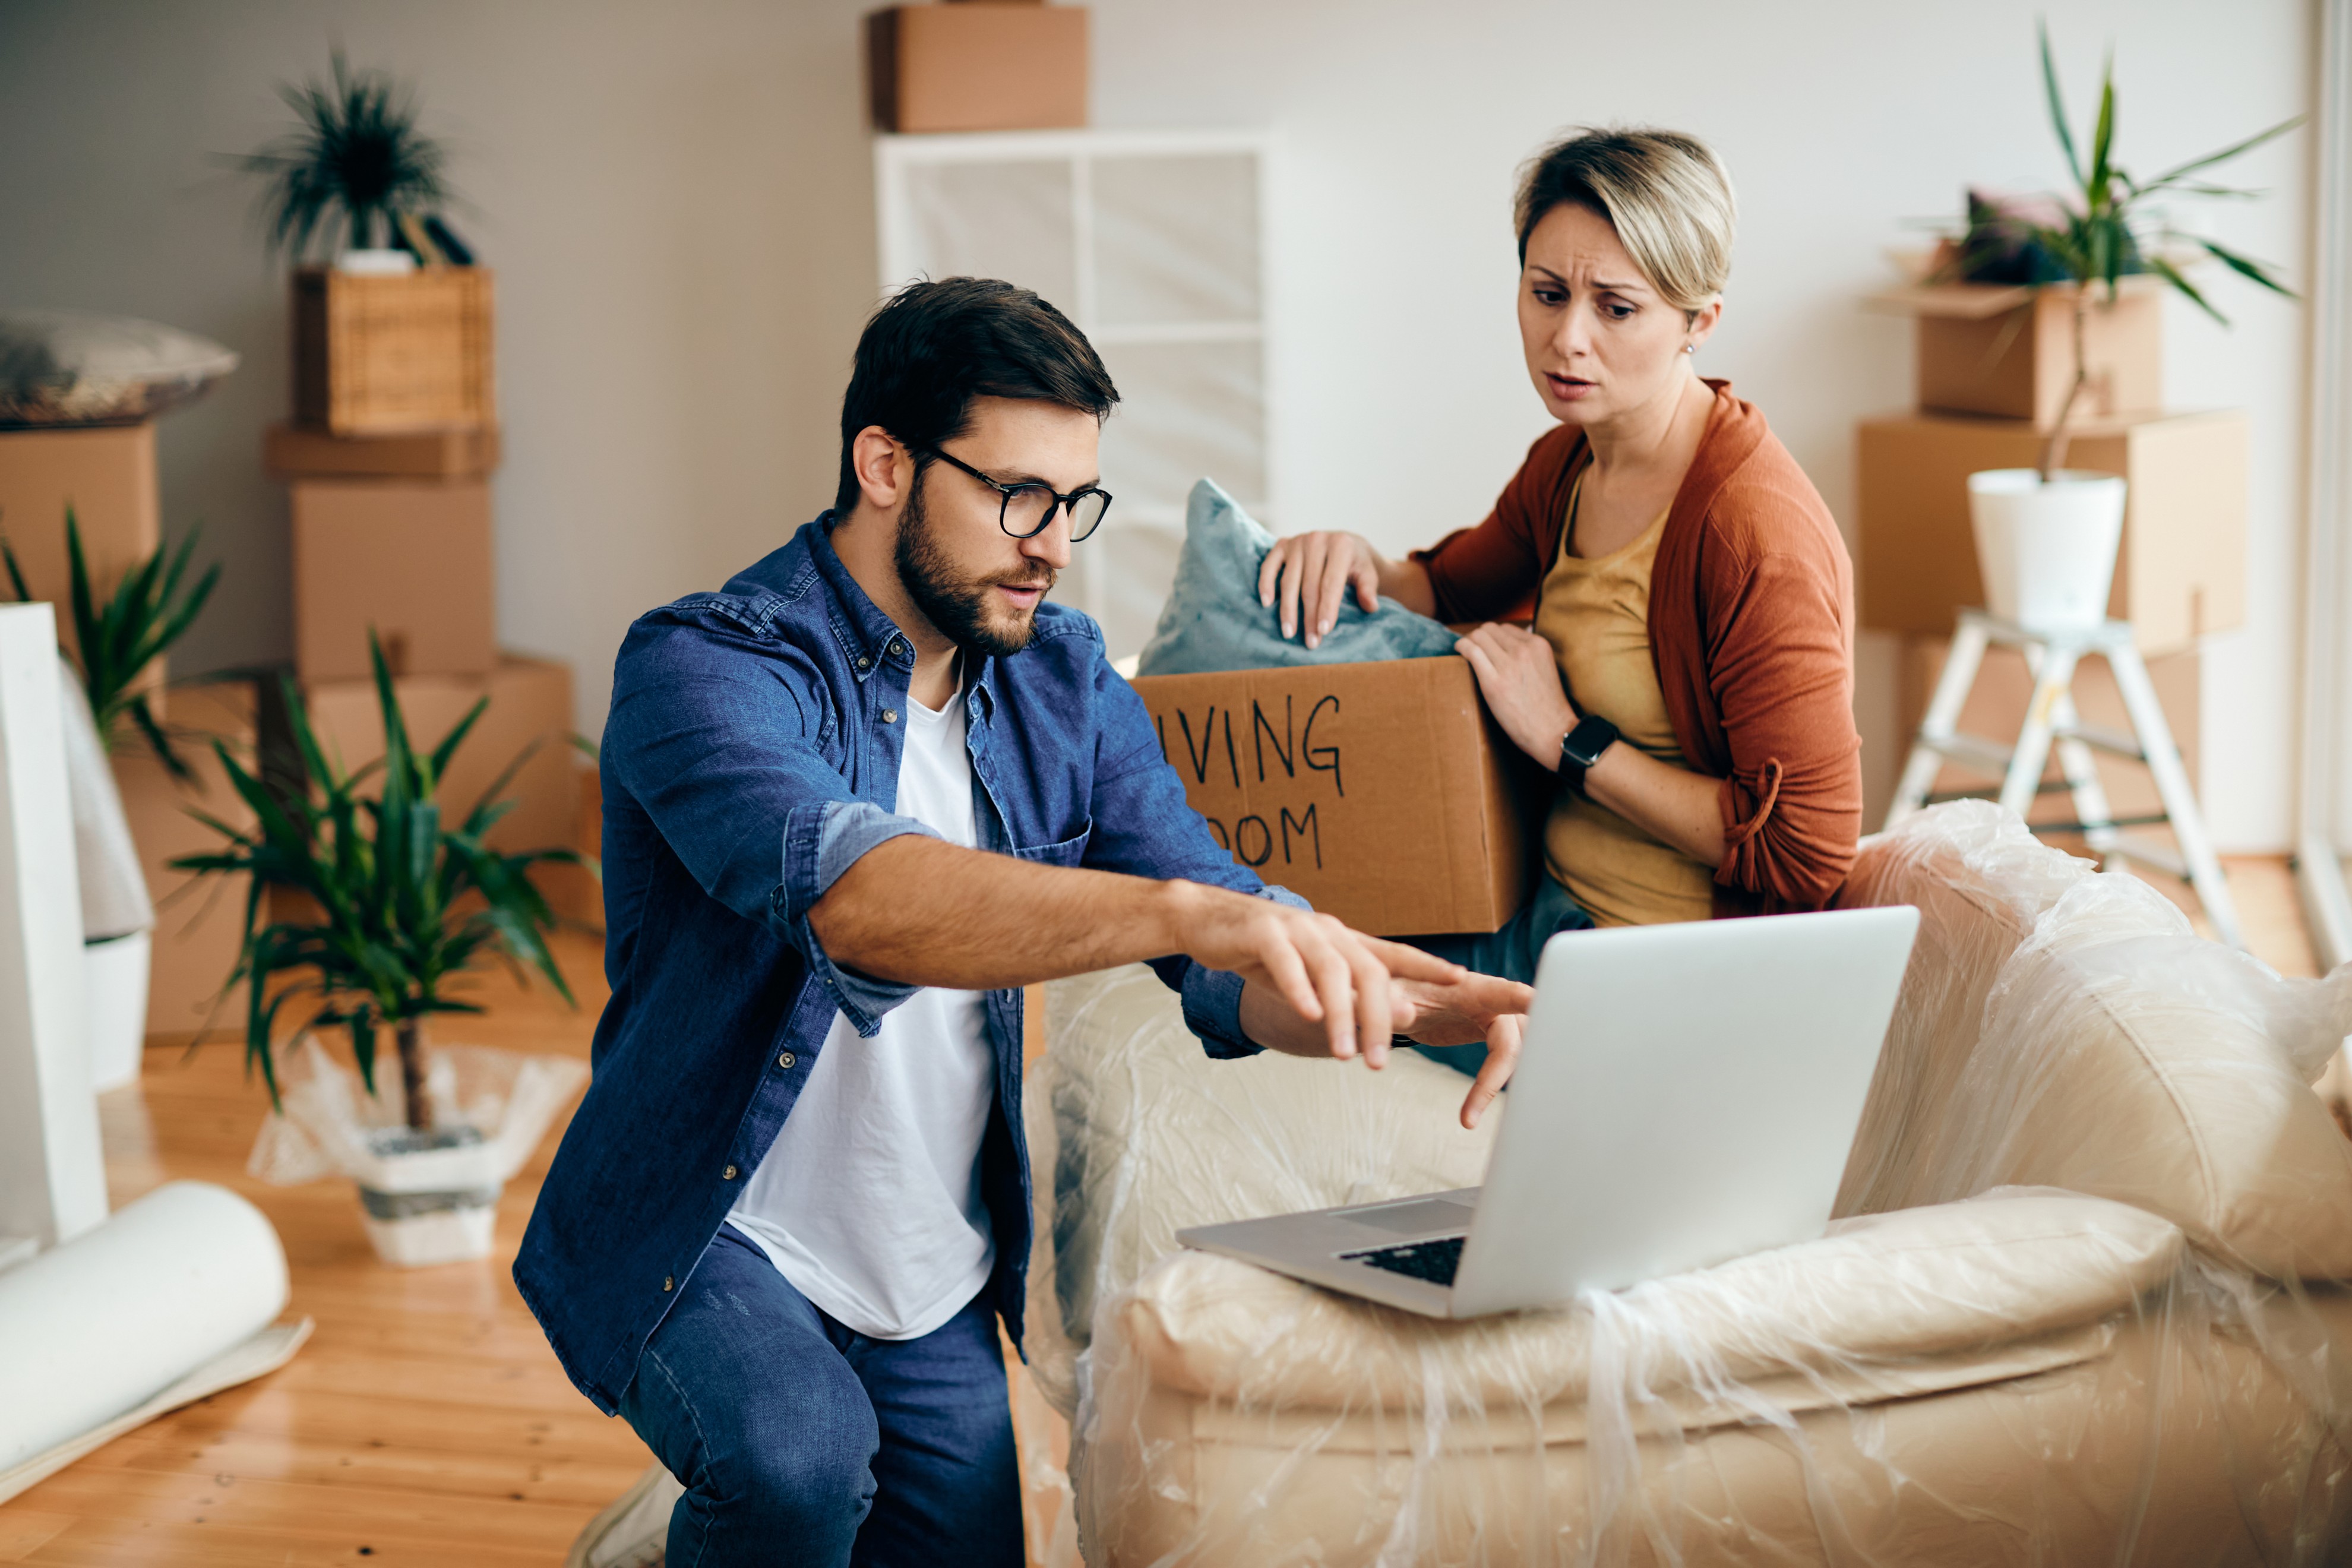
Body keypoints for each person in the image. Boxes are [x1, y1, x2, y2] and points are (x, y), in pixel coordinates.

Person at [516, 276, 1531, 1568]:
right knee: (798, 1465)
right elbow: (867, 901)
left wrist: (1401, 999)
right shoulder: (705, 665)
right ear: (883, 463)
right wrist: (1192, 915)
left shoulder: (1062, 679)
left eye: (1076, 504)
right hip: (710, 1230)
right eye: (1019, 497)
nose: (1054, 544)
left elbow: (1221, 949)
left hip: (924, 1264)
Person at [1259, 127, 1863, 1052]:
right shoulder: (1571, 460)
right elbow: (1448, 587)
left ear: (1700, 321)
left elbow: (1805, 850)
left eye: (1615, 308)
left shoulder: (1753, 535)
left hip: (1658, 969)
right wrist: (1355, 559)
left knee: (1308, 997)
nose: (1565, 339)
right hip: (1542, 909)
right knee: (1280, 963)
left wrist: (1568, 741)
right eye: (1546, 294)